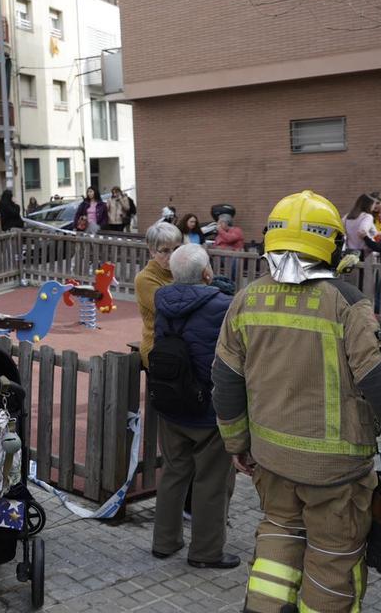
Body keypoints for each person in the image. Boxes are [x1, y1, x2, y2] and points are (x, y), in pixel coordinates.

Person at [214, 190, 381, 612]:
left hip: (272, 461)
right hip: (335, 470)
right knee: (334, 560)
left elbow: (225, 381)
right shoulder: (347, 304)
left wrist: (236, 444)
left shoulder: (246, 298)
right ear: (332, 245)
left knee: (278, 540)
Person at [150, 244, 237, 569]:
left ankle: (164, 541)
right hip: (208, 408)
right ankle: (206, 551)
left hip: (171, 401)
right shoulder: (223, 305)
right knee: (211, 482)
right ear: (206, 273)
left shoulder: (162, 301)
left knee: (174, 472)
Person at [136, 221, 182, 367]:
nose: (173, 255)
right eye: (165, 250)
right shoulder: (145, 279)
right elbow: (173, 311)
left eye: (176, 248)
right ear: (152, 251)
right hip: (158, 346)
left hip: (182, 344)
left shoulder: (182, 272)